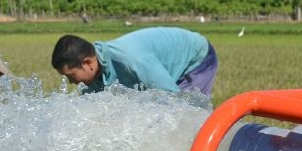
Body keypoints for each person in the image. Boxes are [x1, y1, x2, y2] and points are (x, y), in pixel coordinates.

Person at [51, 27, 218, 98]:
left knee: (188, 115)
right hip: (163, 69)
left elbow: (173, 96)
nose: (71, 82)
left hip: (195, 60)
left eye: (70, 76)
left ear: (87, 63)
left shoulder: (132, 60)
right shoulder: (92, 79)